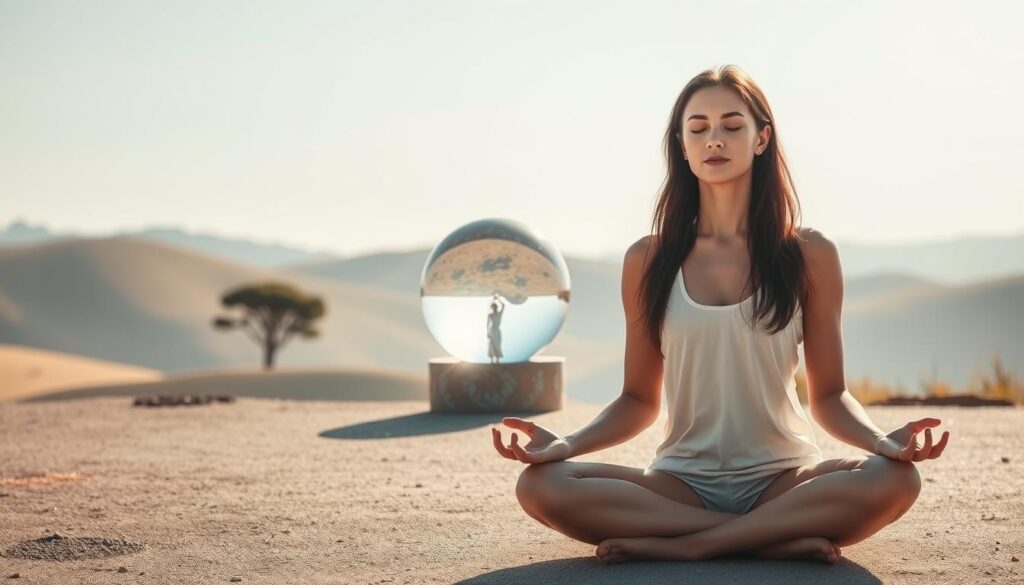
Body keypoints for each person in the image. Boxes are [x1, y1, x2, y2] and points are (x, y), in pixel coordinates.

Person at [490, 65, 950, 565]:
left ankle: (697, 546)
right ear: (682, 146)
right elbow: (638, 399)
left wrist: (882, 442)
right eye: (698, 128)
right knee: (541, 485)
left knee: (897, 477)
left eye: (732, 125)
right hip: (680, 484)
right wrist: (568, 444)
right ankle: (767, 540)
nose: (715, 139)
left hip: (785, 480)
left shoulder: (808, 254)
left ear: (761, 139)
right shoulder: (646, 259)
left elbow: (831, 396)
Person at [487, 294, 505, 364]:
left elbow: (503, 305)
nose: (494, 308)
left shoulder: (499, 314)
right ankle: (491, 360)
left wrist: (497, 299)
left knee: (497, 344)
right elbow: (487, 324)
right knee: (491, 344)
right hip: (492, 330)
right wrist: (487, 333)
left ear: (496, 307)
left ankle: (497, 360)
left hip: (497, 330)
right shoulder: (490, 315)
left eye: (495, 307)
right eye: (493, 307)